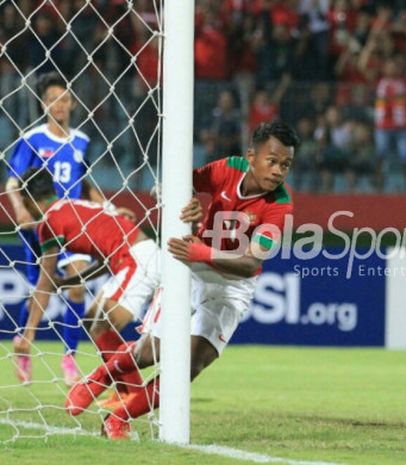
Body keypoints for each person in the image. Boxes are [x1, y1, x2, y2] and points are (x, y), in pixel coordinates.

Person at [65, 121, 299, 439]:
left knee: (191, 365)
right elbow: (175, 184)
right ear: (250, 156)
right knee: (152, 352)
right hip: (191, 271)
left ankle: (117, 418)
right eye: (272, 161)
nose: (278, 171)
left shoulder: (280, 205)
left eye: (285, 164)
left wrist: (201, 251)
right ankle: (99, 377)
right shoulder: (229, 168)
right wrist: (183, 201)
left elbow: (249, 263)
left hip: (232, 284)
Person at [12, 167, 167, 407]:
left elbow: (44, 281)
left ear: (28, 199)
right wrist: (68, 282)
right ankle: (127, 390)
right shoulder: (75, 206)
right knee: (92, 319)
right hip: (132, 258)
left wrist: (28, 333)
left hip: (138, 261)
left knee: (103, 324)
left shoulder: (48, 224)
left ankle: (131, 390)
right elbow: (105, 260)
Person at [4, 72, 107, 385]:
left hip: (70, 223)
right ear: (43, 105)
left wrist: (106, 206)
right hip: (37, 224)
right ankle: (23, 346)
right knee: (40, 292)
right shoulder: (32, 139)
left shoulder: (82, 141)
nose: (58, 105)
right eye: (51, 100)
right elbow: (12, 182)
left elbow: (83, 181)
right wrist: (21, 209)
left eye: (63, 99)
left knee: (76, 284)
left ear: (72, 103)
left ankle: (69, 358)